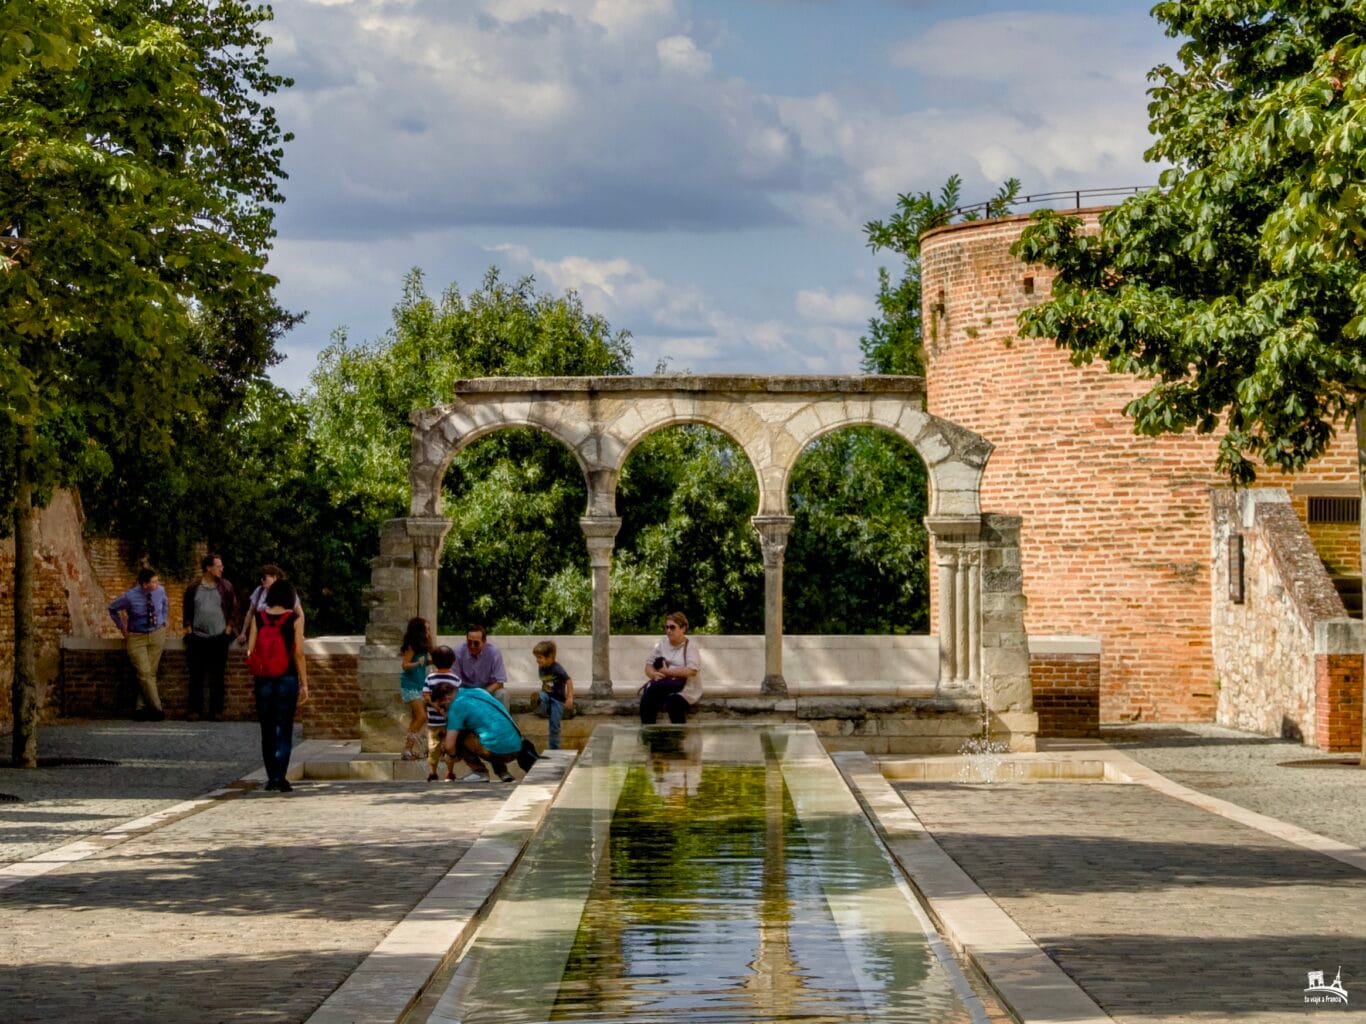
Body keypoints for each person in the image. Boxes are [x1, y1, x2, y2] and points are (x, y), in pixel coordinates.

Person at [246, 578, 308, 792]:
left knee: (267, 728)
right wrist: (304, 683)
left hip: (263, 678)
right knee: (284, 727)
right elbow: (299, 653)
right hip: (287, 677)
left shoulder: (258, 617)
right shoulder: (295, 618)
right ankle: (280, 777)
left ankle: (270, 776)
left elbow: (250, 649)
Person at [107, 567, 169, 721]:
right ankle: (157, 708)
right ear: (144, 584)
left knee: (150, 673)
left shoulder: (160, 591)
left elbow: (165, 604)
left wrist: (164, 620)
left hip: (156, 634)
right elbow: (112, 608)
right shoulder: (130, 597)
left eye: (157, 581)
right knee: (144, 672)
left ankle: (140, 708)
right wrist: (122, 629)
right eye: (153, 582)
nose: (156, 584)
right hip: (137, 636)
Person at [182, 553, 239, 720]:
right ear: (208, 568)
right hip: (197, 637)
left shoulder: (226, 586)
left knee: (218, 676)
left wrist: (228, 630)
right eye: (218, 566)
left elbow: (233, 609)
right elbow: (187, 610)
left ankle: (217, 711)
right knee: (196, 676)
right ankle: (194, 710)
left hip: (219, 637)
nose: (222, 569)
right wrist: (189, 631)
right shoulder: (194, 587)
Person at [439, 683, 524, 783]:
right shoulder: (479, 691)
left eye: (442, 707)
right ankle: (503, 773)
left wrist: (453, 756)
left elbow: (449, 746)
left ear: (447, 698)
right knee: (488, 734)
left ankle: (480, 772)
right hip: (517, 747)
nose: (442, 712)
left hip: (496, 750)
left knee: (459, 737)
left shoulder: (457, 705)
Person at [640, 611, 701, 725]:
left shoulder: (690, 646)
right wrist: (653, 674)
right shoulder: (662, 643)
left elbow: (691, 671)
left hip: (685, 689)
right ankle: (648, 731)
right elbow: (648, 665)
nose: (668, 630)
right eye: (666, 627)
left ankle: (678, 734)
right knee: (647, 697)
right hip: (665, 685)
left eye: (672, 627)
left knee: (673, 703)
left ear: (683, 628)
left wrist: (667, 672)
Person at [423, 645, 462, 782]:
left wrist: (436, 707)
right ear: (453, 660)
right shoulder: (456, 679)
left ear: (434, 661)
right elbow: (459, 699)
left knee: (433, 748)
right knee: (450, 748)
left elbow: (426, 696)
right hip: (450, 722)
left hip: (433, 722)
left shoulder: (430, 678)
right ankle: (449, 772)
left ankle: (433, 773)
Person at [237, 564, 301, 645]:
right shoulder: (259, 591)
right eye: (261, 578)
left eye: (264, 578)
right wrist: (243, 633)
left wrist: (300, 633)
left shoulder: (287, 591)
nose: (262, 580)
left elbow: (300, 614)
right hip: (261, 638)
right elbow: (250, 612)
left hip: (282, 638)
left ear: (274, 577)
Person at [399, 617, 432, 761]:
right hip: (409, 685)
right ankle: (407, 749)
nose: (428, 632)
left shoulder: (422, 646)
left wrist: (430, 660)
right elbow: (405, 665)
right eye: (427, 629)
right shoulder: (411, 646)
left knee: (416, 718)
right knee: (422, 716)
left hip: (419, 684)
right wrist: (417, 663)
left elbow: (423, 662)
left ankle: (409, 749)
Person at [532, 640, 574, 750]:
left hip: (557, 700)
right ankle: (539, 705)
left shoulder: (557, 669)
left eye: (540, 657)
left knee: (554, 726)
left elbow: (568, 680)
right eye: (536, 657)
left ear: (550, 657)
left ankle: (554, 750)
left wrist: (569, 697)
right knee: (542, 696)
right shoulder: (541, 666)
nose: (537, 660)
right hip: (546, 695)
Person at [453, 625, 508, 706]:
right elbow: (455, 681)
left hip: (487, 690)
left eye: (476, 643)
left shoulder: (494, 652)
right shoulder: (458, 652)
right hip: (465, 690)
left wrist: (481, 694)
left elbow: (499, 682)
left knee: (502, 694)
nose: (472, 646)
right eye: (469, 642)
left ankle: (502, 715)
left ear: (484, 641)